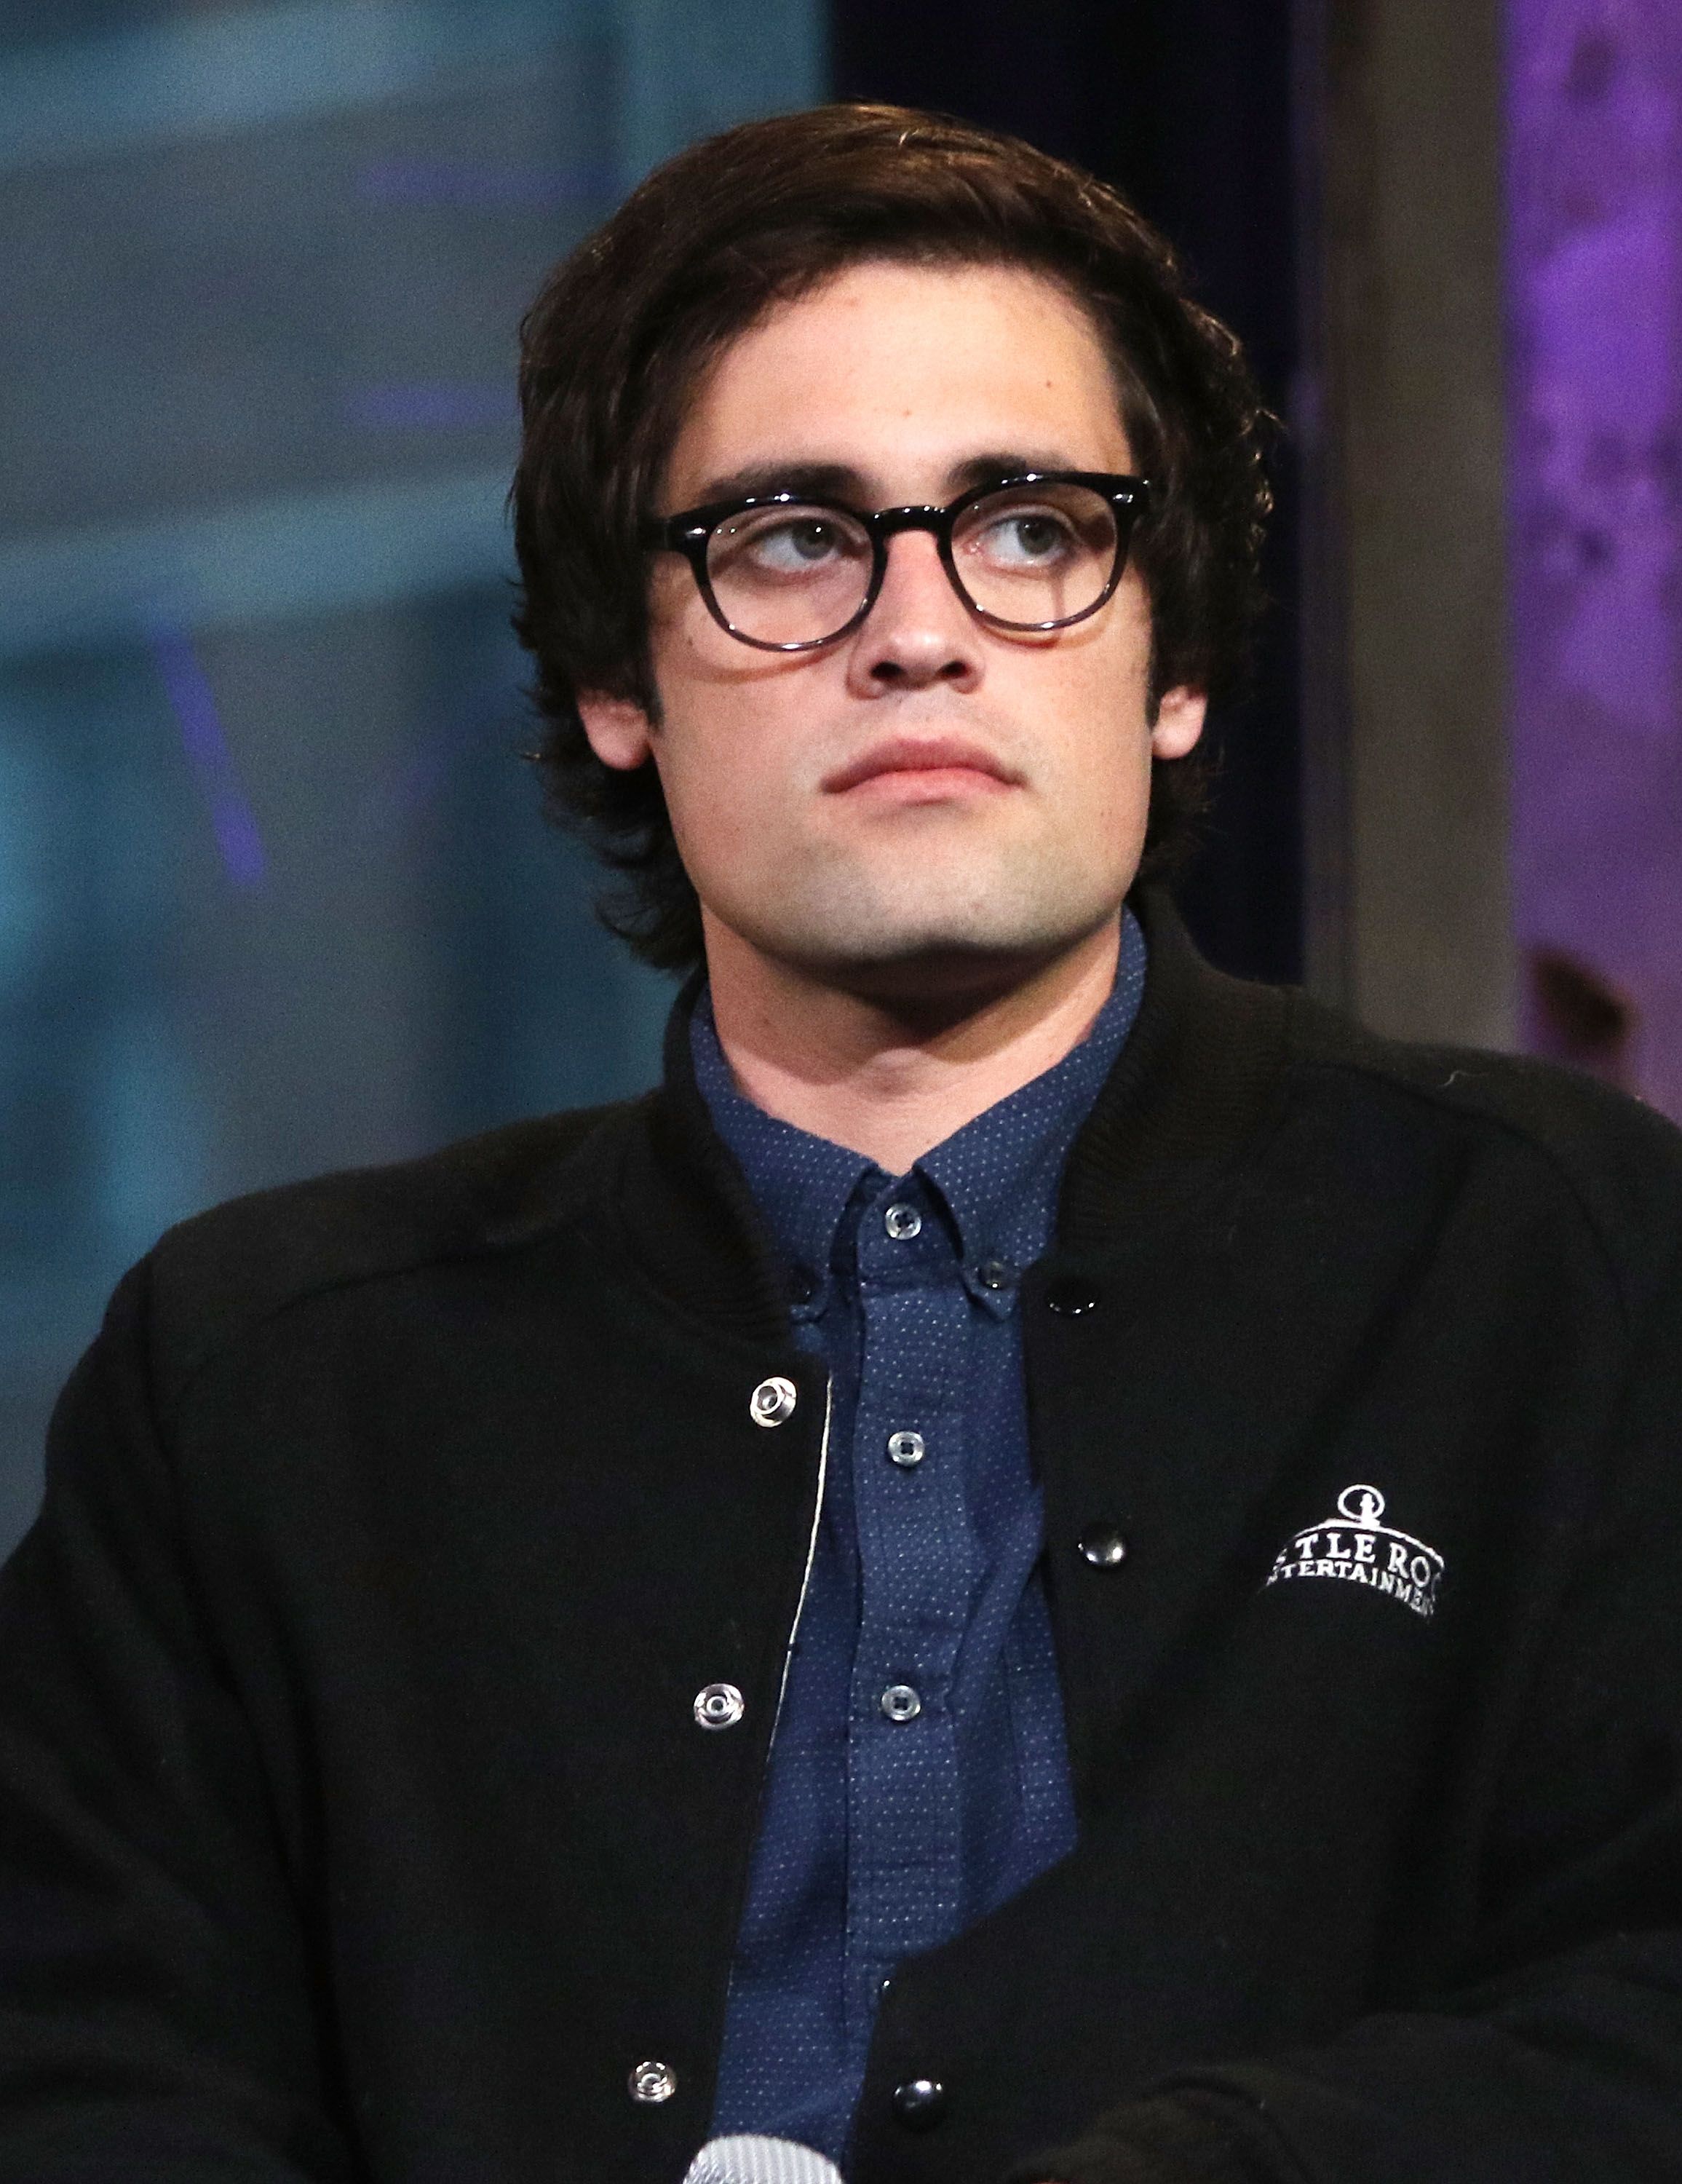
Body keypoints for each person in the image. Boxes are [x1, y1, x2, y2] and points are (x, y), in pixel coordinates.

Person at [1, 102, 1680, 2184]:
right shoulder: (262, 1384)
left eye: (1032, 526)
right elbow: (93, 2086)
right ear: (623, 675)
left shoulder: (1554, 1262)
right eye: (795, 534)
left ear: (1173, 660)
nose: (918, 626)